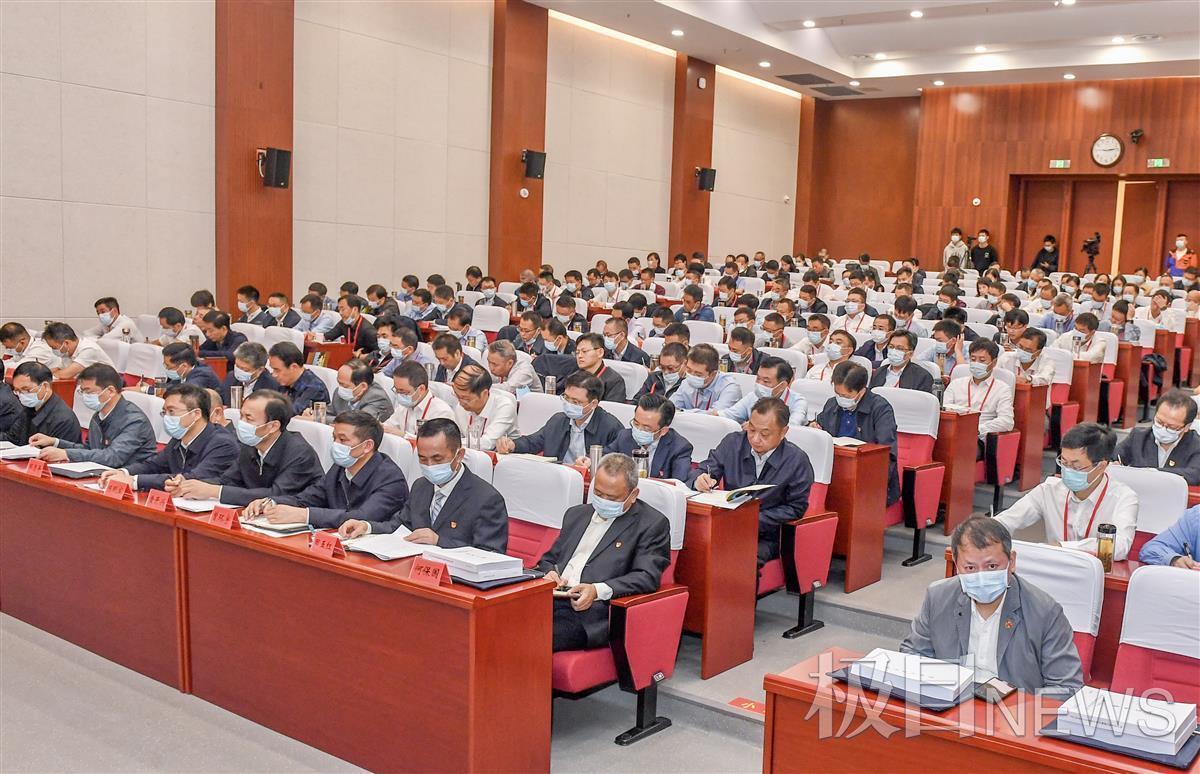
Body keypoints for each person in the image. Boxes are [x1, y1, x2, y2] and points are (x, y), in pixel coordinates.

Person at [901, 517, 1084, 695]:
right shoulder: (938, 597)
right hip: (952, 704)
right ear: (956, 565)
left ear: (1012, 561)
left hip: (1013, 710)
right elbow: (913, 654)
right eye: (970, 568)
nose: (981, 577)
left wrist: (1018, 708)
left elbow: (1066, 686)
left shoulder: (1045, 611)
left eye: (992, 566)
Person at [535, 453, 671, 651]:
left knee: (531, 638)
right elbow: (548, 560)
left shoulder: (652, 524)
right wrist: (549, 574)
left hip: (589, 614)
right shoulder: (576, 514)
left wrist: (597, 590)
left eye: (612, 498)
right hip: (551, 600)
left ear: (633, 494)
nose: (603, 501)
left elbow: (646, 577)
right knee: (497, 622)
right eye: (598, 494)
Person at [338, 417, 509, 553]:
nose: (429, 465)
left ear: (459, 455)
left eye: (437, 459)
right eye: (422, 459)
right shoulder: (421, 486)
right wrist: (366, 526)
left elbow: (490, 554)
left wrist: (439, 542)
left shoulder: (486, 498)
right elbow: (399, 525)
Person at [689, 398, 813, 565]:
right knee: (693, 549)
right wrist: (700, 479)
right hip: (725, 525)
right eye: (751, 430)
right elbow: (706, 468)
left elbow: (796, 508)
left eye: (764, 434)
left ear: (783, 432)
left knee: (739, 559)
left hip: (766, 535)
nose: (755, 439)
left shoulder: (796, 461)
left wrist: (751, 519)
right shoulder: (733, 443)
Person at [243, 410, 408, 530]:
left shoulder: (390, 478)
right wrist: (272, 502)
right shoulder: (340, 468)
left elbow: (362, 517)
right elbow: (307, 498)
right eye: (334, 438)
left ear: (367, 446)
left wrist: (304, 515)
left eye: (343, 440)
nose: (335, 445)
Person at [995, 423, 1137, 561]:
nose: (1068, 471)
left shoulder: (1123, 498)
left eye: (1076, 466)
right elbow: (1007, 520)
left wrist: (1062, 547)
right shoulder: (1049, 490)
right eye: (1064, 462)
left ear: (1101, 466)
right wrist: (988, 530)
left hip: (1096, 573)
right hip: (1053, 567)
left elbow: (1120, 546)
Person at [169, 390, 324, 505]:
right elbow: (228, 480)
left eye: (248, 418)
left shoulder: (300, 453)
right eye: (241, 416)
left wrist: (215, 491)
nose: (241, 423)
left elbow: (276, 494)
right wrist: (189, 484)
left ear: (273, 426)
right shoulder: (250, 445)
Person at [99, 384, 238, 491]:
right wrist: (122, 472)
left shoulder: (223, 444)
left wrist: (134, 481)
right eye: (164, 412)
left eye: (171, 411)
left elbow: (190, 479)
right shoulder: (179, 438)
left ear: (196, 414)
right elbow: (153, 465)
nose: (166, 417)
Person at [30, 364, 156, 467]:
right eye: (82, 391)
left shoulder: (135, 421)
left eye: (88, 391)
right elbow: (90, 449)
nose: (85, 396)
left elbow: (112, 457)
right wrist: (55, 442)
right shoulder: (98, 415)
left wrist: (66, 454)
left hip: (129, 479)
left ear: (110, 391)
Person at [814, 362, 900, 505]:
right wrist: (814, 428)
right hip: (834, 472)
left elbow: (886, 454)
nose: (840, 398)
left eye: (846, 396)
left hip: (868, 479)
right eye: (837, 394)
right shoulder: (832, 404)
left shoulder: (880, 408)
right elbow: (821, 428)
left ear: (862, 390)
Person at [496, 371, 622, 464]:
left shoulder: (610, 427)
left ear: (593, 404)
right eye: (566, 397)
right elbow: (533, 442)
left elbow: (616, 462)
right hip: (557, 475)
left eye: (575, 402)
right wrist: (513, 445)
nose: (568, 404)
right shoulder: (559, 420)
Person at [1115, 389, 1200, 485]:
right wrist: (1113, 463)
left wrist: (1152, 473)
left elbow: (1195, 474)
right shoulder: (1138, 436)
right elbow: (1114, 456)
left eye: (1171, 427)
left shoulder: (1196, 445)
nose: (1163, 428)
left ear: (1187, 427)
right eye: (1159, 422)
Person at [943, 339, 1015, 452]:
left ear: (994, 362)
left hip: (977, 439)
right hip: (951, 433)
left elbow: (1007, 421)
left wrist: (976, 429)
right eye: (973, 359)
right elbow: (943, 410)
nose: (976, 363)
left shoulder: (1002, 389)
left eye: (982, 360)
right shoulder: (956, 384)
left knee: (959, 448)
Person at [604, 394, 693, 480]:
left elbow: (680, 483)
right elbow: (604, 462)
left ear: (663, 431)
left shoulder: (680, 448)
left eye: (646, 428)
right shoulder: (624, 436)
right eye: (636, 423)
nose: (639, 430)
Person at [2, 361, 81, 445]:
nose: (21, 395)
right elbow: (12, 437)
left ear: (45, 386)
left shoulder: (63, 419)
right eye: (17, 390)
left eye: (26, 389)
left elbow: (58, 451)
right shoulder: (29, 408)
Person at [720, 356, 806, 426]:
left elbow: (792, 427)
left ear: (782, 386)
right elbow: (728, 415)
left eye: (766, 381)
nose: (759, 384)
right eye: (758, 378)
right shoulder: (753, 396)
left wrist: (755, 426)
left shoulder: (798, 402)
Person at [451, 365, 517, 451]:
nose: (461, 402)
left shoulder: (504, 406)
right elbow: (458, 436)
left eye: (466, 399)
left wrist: (451, 444)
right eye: (457, 396)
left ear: (484, 393)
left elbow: (487, 443)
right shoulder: (461, 406)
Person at [383, 361, 456, 437]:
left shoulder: (441, 412)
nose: (399, 395)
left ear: (421, 389)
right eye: (396, 390)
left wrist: (404, 436)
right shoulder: (403, 407)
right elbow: (388, 426)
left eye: (403, 392)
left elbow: (435, 442)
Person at [319, 358, 394, 423]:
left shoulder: (377, 398)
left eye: (344, 385)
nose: (340, 388)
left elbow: (357, 424)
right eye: (339, 383)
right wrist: (315, 414)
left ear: (363, 386)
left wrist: (323, 419)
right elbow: (325, 414)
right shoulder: (339, 392)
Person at [671, 344, 741, 413]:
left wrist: (682, 412)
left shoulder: (729, 387)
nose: (691, 375)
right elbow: (670, 408)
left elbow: (715, 415)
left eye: (698, 374)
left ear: (713, 374)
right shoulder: (686, 382)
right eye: (689, 370)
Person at [267, 341, 329, 416]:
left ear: (294, 367)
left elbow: (290, 413)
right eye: (273, 369)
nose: (274, 375)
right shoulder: (281, 381)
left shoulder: (314, 388)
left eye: (277, 370)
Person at [40, 322, 114, 380]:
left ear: (66, 343)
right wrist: (39, 374)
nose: (53, 350)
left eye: (54, 347)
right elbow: (58, 369)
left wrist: (43, 378)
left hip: (107, 386)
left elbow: (66, 374)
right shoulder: (67, 353)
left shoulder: (88, 349)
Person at [869, 330, 934, 392]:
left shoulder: (922, 377)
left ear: (910, 354)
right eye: (891, 347)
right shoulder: (879, 372)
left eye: (899, 348)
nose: (893, 351)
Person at [573, 333, 626, 402]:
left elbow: (612, 407)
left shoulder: (614, 381)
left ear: (600, 352)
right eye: (577, 352)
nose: (579, 356)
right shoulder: (575, 375)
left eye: (584, 351)